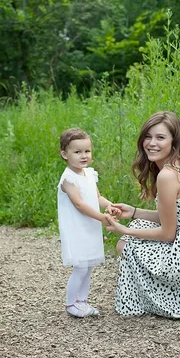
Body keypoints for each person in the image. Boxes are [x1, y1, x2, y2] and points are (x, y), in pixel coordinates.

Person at [104, 111, 180, 319]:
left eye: (160, 137)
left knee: (125, 243)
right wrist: (133, 212)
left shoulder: (167, 176)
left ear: (174, 142)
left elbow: (168, 233)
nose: (152, 143)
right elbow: (173, 217)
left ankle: (161, 301)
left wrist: (123, 229)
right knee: (140, 225)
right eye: (148, 136)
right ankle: (177, 295)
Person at [57, 128, 119, 318]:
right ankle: (70, 303)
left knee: (88, 265)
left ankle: (82, 301)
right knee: (81, 266)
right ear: (64, 154)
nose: (84, 156)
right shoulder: (68, 178)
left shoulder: (89, 174)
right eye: (77, 152)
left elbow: (96, 197)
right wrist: (102, 217)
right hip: (77, 227)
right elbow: (79, 203)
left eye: (87, 151)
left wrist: (109, 206)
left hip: (89, 226)